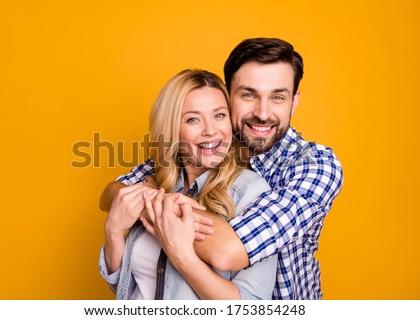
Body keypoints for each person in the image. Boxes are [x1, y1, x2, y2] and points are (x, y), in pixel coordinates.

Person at [100, 38, 344, 299]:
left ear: (293, 101)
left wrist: (154, 200)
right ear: (229, 96)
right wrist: (121, 222)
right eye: (249, 95)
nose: (263, 113)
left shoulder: (315, 165)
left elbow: (227, 251)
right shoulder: (204, 148)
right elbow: (114, 192)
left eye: (277, 97)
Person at [99, 69, 278, 299]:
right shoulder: (157, 175)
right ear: (172, 128)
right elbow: (130, 287)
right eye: (193, 119)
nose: (211, 130)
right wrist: (113, 232)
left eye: (219, 115)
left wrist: (181, 255)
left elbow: (251, 305)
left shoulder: (251, 191)